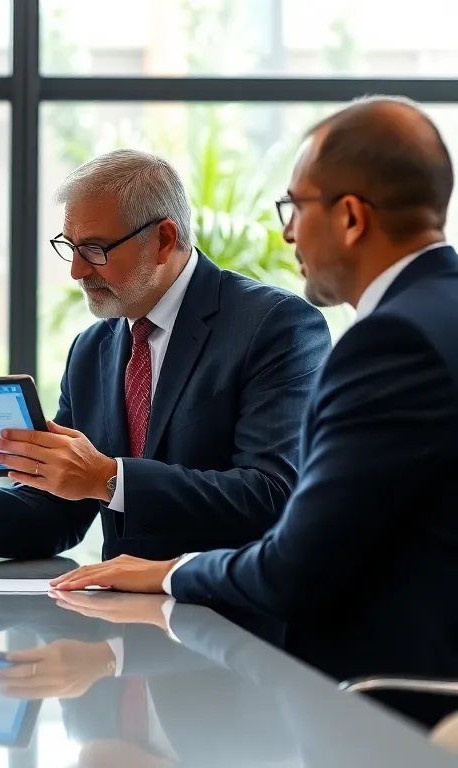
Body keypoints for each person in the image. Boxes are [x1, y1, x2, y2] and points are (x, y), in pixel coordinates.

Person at [50, 96, 458, 698]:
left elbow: (297, 558)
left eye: (296, 207)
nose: (287, 232)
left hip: (387, 701)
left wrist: (169, 573)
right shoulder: (435, 317)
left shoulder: (388, 341)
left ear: (350, 217)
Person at [0, 150, 331, 562]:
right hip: (118, 612)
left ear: (163, 239)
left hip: (227, 609)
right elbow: (60, 512)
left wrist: (107, 478)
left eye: (94, 249)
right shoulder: (91, 349)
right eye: (70, 247)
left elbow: (271, 495)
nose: (76, 270)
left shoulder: (275, 325)